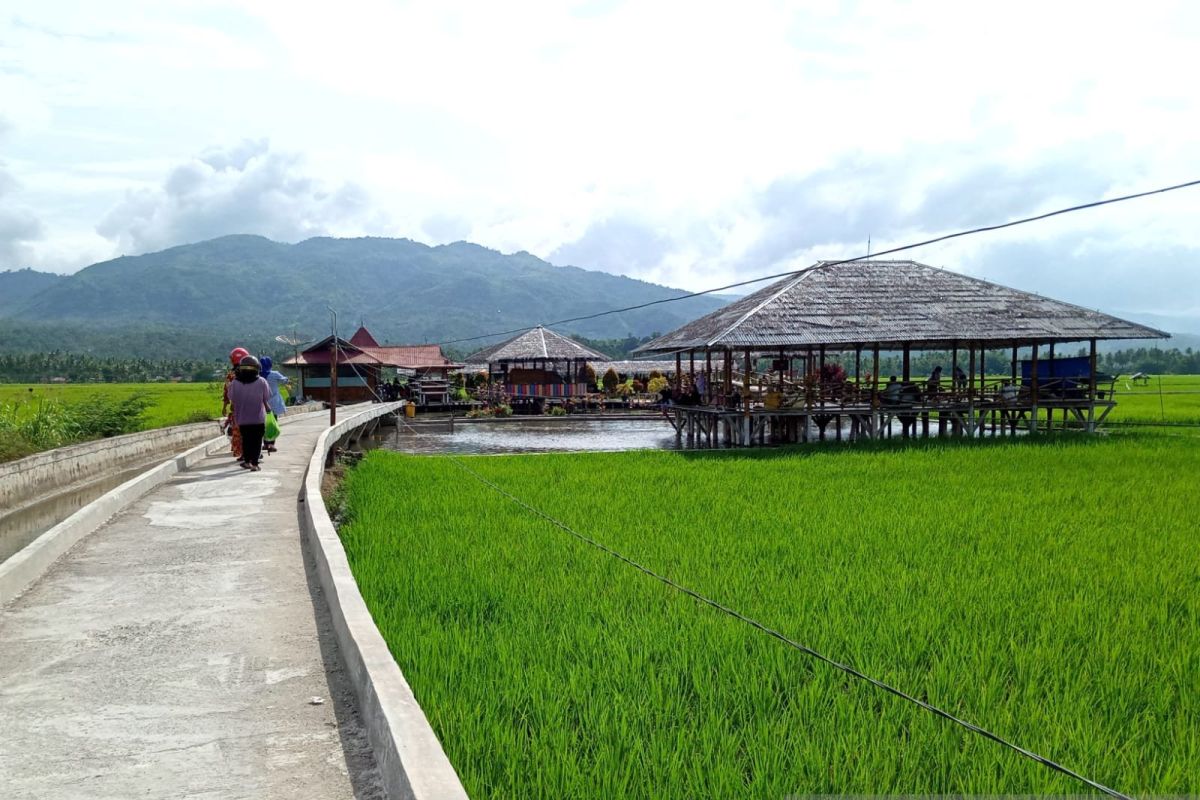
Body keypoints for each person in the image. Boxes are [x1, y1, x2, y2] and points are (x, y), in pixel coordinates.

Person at [227, 355, 272, 472]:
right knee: (257, 441)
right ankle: (255, 464)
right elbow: (267, 397)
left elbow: (231, 397)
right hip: (258, 418)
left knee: (246, 440)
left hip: (242, 418)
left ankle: (247, 462)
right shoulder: (262, 381)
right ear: (256, 368)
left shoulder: (235, 383)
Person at [221, 347, 250, 461]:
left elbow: (226, 392)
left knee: (239, 431)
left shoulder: (231, 375)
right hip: (251, 406)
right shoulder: (252, 373)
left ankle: (243, 453)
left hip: (237, 408)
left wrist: (224, 407)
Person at [258, 355, 290, 452]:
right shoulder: (274, 374)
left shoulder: (258, 375)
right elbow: (285, 380)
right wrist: (287, 379)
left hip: (261, 403)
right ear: (270, 364)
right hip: (274, 404)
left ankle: (265, 444)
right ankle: (271, 445)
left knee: (263, 424)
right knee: (273, 423)